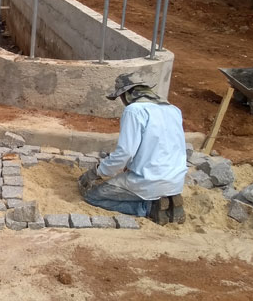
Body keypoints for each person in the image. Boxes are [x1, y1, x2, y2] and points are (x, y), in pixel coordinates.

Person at [78, 73, 187, 225]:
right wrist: (131, 165)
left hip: (150, 181)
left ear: (126, 95)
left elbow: (126, 152)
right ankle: (167, 200)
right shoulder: (173, 110)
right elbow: (158, 146)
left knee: (93, 196)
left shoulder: (134, 110)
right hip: (176, 180)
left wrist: (98, 172)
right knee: (136, 180)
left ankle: (148, 207)